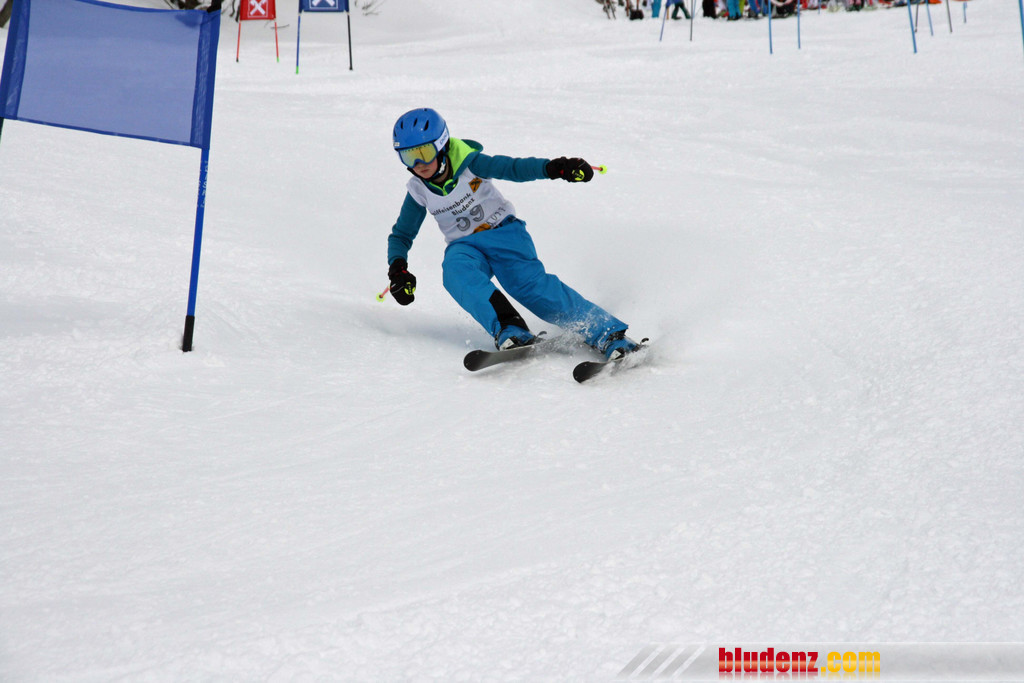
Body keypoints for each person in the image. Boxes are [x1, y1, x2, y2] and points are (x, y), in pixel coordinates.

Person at [386, 108, 642, 360]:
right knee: (456, 273)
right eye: (408, 157)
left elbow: (513, 168)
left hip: (504, 233)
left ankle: (609, 334)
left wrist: (555, 168)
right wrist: (398, 269)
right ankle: (510, 329)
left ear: (441, 145)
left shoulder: (471, 164)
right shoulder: (419, 190)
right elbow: (401, 234)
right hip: (465, 246)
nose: (418, 164)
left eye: (424, 153)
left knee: (529, 287)